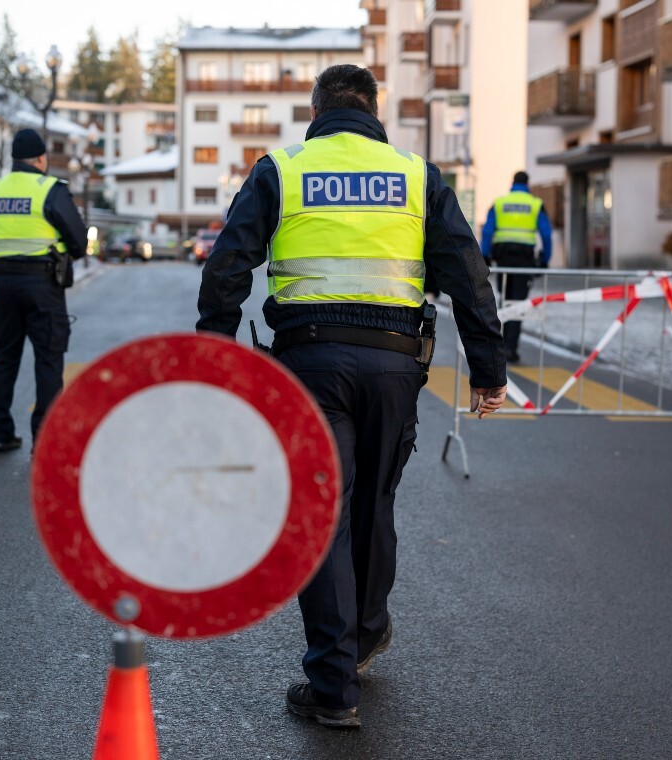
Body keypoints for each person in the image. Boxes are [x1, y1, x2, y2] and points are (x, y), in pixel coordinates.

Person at [196, 64, 508, 729]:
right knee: (374, 501)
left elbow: (228, 263)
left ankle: (334, 685)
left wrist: (215, 351)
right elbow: (466, 271)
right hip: (396, 364)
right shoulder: (415, 175)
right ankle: (363, 637)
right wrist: (488, 368)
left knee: (322, 510)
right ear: (374, 108)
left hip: (310, 361)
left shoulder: (282, 168)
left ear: (317, 109)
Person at [0, 128, 87, 453]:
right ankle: (43, 438)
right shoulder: (49, 189)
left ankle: (0, 432)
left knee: (5, 358)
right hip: (43, 284)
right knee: (48, 359)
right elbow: (79, 241)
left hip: (4, 285)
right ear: (41, 158)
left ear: (15, 159)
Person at [480, 171, 554, 363]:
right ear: (527, 184)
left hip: (503, 258)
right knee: (518, 303)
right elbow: (546, 235)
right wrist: (545, 261)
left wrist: (485, 257)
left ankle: (498, 348)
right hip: (524, 260)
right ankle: (510, 349)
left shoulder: (499, 203)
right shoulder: (535, 204)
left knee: (504, 300)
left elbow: (487, 231)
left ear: (512, 183)